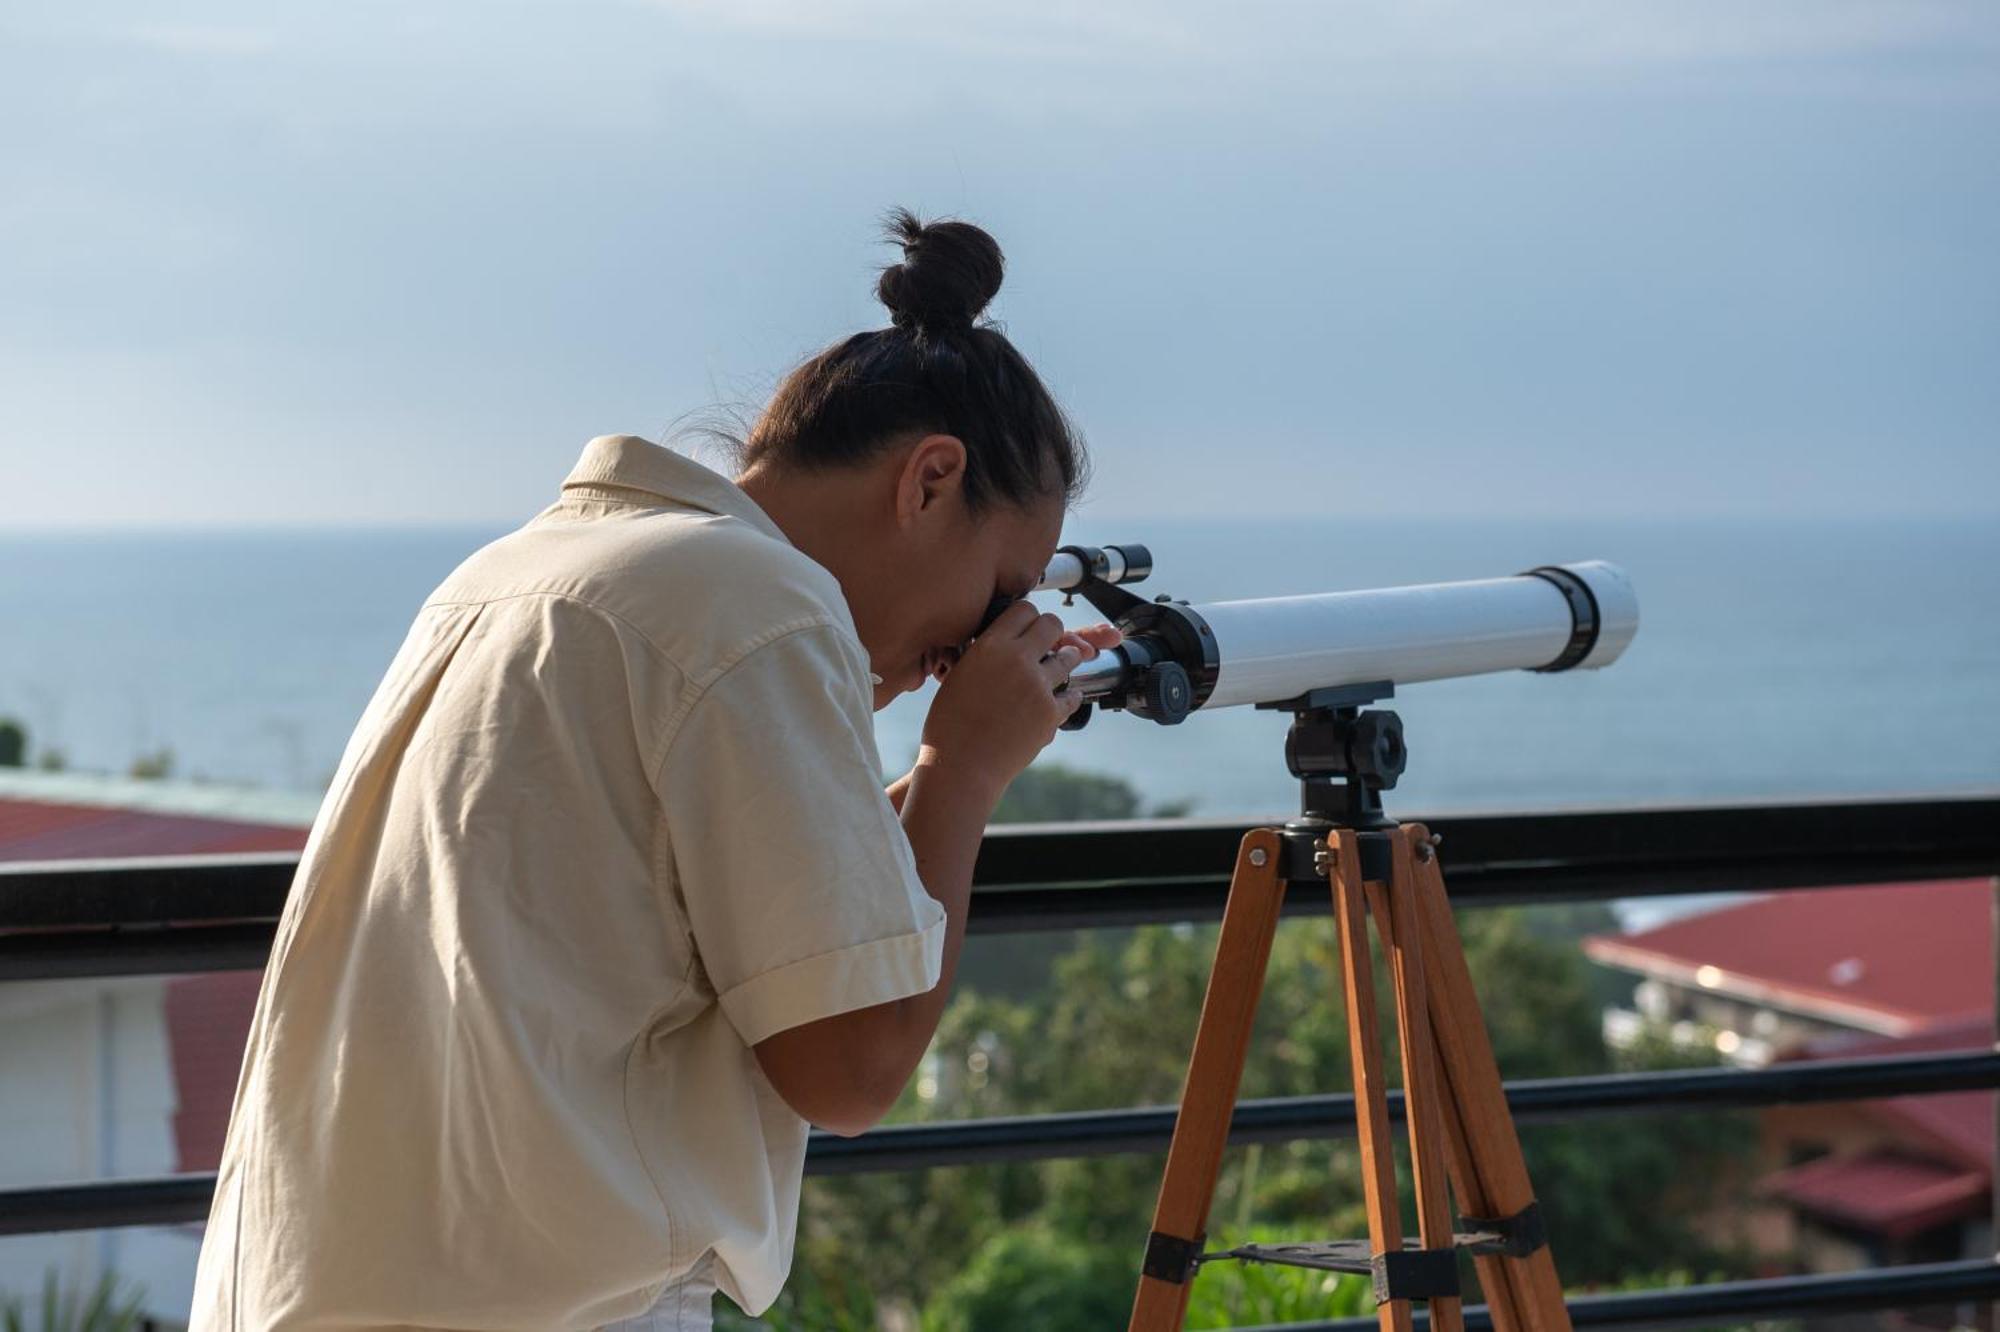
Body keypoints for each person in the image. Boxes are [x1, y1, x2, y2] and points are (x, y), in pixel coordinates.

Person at [186, 208, 1122, 1331]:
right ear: (930, 480)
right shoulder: (757, 610)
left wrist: (936, 770)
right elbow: (854, 1069)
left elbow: (672, 903)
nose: (964, 652)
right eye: (998, 595)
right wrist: (962, 769)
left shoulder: (533, 569)